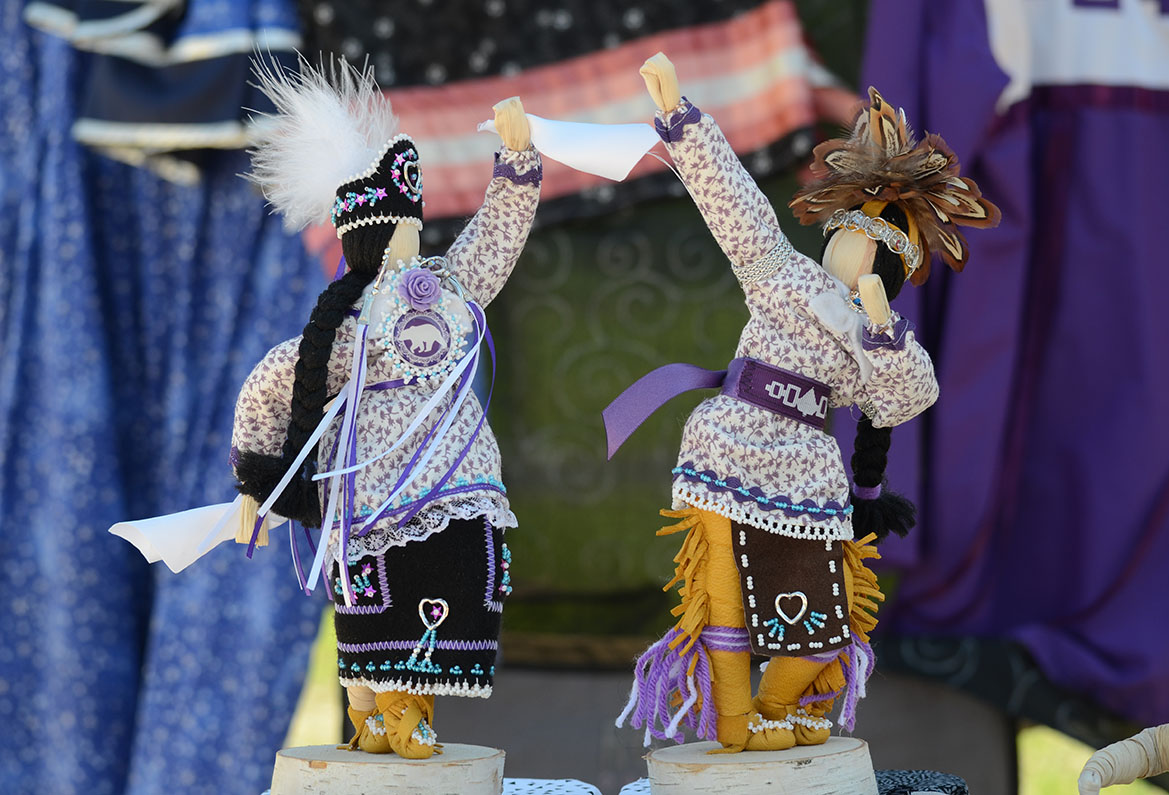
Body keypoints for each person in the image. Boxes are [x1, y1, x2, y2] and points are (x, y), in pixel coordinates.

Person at [610, 53, 997, 752]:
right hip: (729, 448)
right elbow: (734, 206)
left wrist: (880, 325)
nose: (854, 249)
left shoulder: (876, 339)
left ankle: (772, 704)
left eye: (874, 246)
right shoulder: (781, 274)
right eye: (852, 231)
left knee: (819, 623)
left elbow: (908, 395)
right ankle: (733, 718)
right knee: (723, 599)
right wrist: (681, 120)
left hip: (809, 477)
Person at [233, 58, 541, 758]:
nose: (415, 240)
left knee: (449, 585)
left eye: (416, 226)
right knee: (389, 601)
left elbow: (496, 238)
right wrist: (257, 476)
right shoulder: (347, 330)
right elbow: (272, 380)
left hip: (453, 484)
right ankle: (383, 716)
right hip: (379, 497)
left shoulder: (450, 288)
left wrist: (517, 164)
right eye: (404, 229)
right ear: (375, 237)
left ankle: (395, 713)